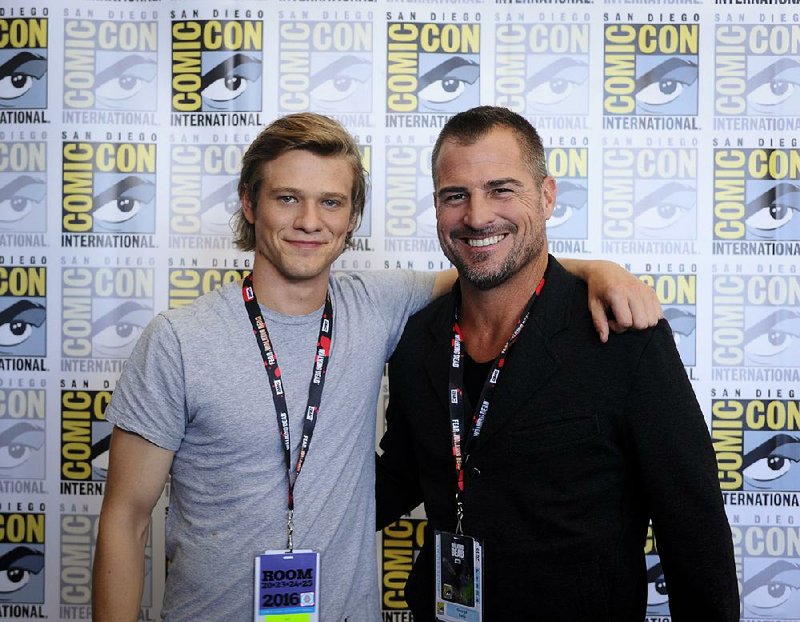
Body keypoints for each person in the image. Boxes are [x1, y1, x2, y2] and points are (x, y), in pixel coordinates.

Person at [91, 112, 661, 621]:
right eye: (287, 198)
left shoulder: (377, 306)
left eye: (331, 202)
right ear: (249, 202)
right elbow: (125, 520)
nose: (309, 221)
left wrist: (597, 269)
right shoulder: (179, 341)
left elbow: (493, 263)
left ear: (352, 214)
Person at [376, 106, 739, 621]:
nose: (477, 216)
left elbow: (693, 529)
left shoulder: (623, 335)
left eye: (502, 189)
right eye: (455, 195)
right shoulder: (416, 338)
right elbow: (400, 475)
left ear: (547, 197)